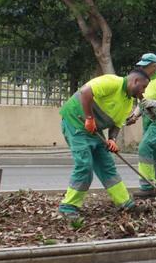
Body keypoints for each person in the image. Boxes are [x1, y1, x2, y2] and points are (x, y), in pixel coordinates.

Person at [57, 68, 150, 222]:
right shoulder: (112, 82)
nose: (143, 92)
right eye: (143, 87)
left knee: (107, 166)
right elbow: (85, 92)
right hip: (76, 122)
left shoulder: (127, 103)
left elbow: (117, 124)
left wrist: (112, 139)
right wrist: (89, 118)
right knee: (84, 165)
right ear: (135, 81)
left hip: (94, 131)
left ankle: (125, 203)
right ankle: (68, 207)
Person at [129, 53, 156, 198]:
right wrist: (135, 115)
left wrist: (154, 104)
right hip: (148, 122)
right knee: (153, 153)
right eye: (141, 66)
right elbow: (142, 101)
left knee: (144, 147)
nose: (142, 68)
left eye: (145, 66)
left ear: (154, 66)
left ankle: (147, 186)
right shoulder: (144, 81)